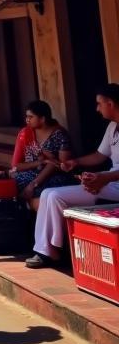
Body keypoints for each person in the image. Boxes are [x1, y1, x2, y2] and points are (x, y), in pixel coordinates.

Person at [28, 83, 119, 268]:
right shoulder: (112, 127)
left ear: (110, 103)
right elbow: (100, 155)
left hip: (113, 184)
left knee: (54, 196)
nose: (97, 108)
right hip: (110, 182)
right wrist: (75, 162)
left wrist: (104, 178)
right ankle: (45, 250)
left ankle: (51, 251)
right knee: (48, 194)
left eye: (99, 103)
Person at [9, 99, 76, 203]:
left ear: (42, 119)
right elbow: (16, 165)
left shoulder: (59, 135)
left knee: (39, 191)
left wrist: (34, 184)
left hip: (54, 175)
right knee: (10, 184)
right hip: (32, 173)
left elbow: (62, 165)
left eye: (31, 117)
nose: (27, 120)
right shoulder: (25, 133)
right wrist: (40, 162)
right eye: (26, 116)